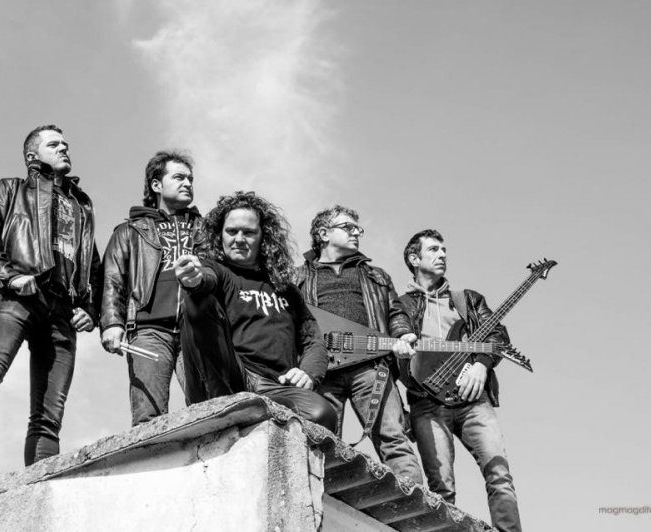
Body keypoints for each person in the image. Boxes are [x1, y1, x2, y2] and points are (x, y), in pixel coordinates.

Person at [0, 125, 101, 488]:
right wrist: (8, 274)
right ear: (32, 156)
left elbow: (92, 263)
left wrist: (89, 309)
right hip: (17, 298)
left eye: (65, 143)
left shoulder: (81, 205)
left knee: (49, 412)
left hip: (63, 310)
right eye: (54, 144)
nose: (64, 147)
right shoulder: (11, 189)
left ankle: (41, 484)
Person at [173, 191, 337, 431]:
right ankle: (220, 408)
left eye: (248, 232)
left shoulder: (287, 290)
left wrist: (308, 373)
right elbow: (205, 279)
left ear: (263, 237)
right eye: (231, 231)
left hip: (275, 386)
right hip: (229, 377)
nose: (239, 239)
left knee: (323, 414)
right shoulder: (216, 270)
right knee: (197, 301)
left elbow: (313, 341)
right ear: (220, 235)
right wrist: (194, 279)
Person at [400, 229, 521, 531]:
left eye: (444, 249)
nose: (442, 254)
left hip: (472, 400)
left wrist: (482, 364)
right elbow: (393, 353)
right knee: (441, 489)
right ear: (414, 259)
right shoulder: (401, 306)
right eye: (433, 249)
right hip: (426, 404)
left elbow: (497, 335)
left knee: (500, 476)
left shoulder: (467, 300)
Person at [295, 206, 423, 484]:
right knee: (318, 440)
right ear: (323, 233)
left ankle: (415, 506)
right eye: (348, 227)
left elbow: (395, 312)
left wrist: (403, 334)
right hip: (320, 370)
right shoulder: (296, 278)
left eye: (358, 229)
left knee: (393, 439)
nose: (356, 233)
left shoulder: (376, 275)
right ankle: (321, 501)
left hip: (371, 368)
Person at [100, 151, 204, 425]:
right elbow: (112, 279)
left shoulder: (206, 230)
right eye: (179, 177)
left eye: (190, 179)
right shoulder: (130, 230)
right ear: (156, 185)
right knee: (148, 419)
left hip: (198, 331)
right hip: (148, 331)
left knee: (210, 408)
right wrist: (112, 323)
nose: (187, 183)